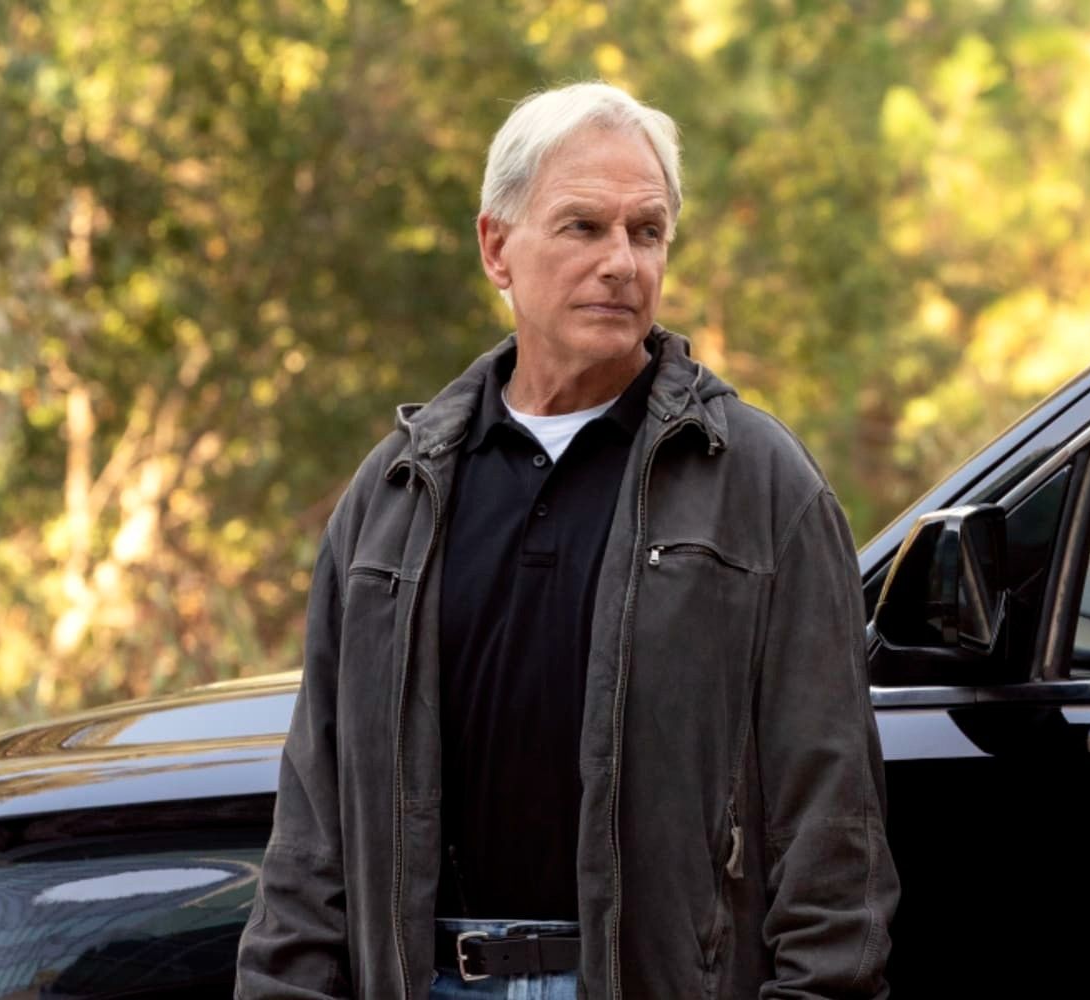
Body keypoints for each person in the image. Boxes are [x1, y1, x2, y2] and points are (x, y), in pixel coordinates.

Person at [237, 82, 897, 1000]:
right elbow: (313, 814)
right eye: (583, 227)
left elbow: (834, 817)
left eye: (646, 231)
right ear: (496, 247)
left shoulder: (758, 483)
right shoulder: (394, 491)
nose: (622, 263)